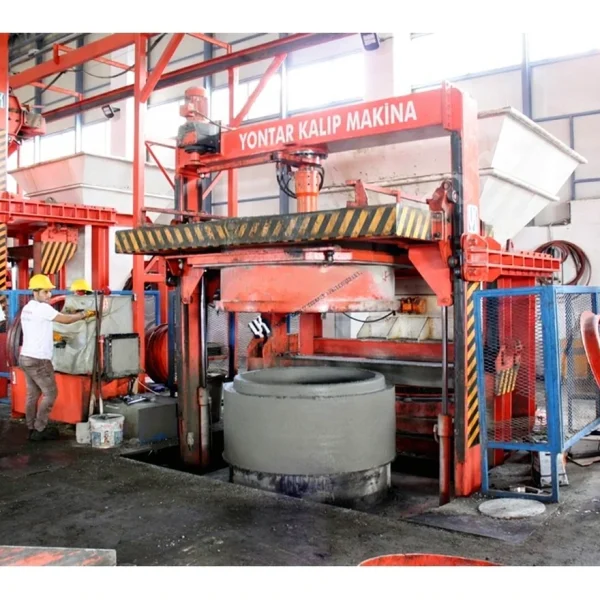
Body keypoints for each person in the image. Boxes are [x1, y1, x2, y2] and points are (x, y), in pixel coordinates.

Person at [19, 274, 94, 442]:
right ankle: (40, 428)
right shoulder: (43, 308)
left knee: (32, 394)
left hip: (25, 357)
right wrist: (84, 314)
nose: (49, 295)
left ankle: (31, 428)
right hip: (39, 360)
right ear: (35, 292)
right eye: (45, 292)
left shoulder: (27, 308)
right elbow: (66, 319)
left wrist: (53, 336)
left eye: (49, 291)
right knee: (51, 394)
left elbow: (39, 327)